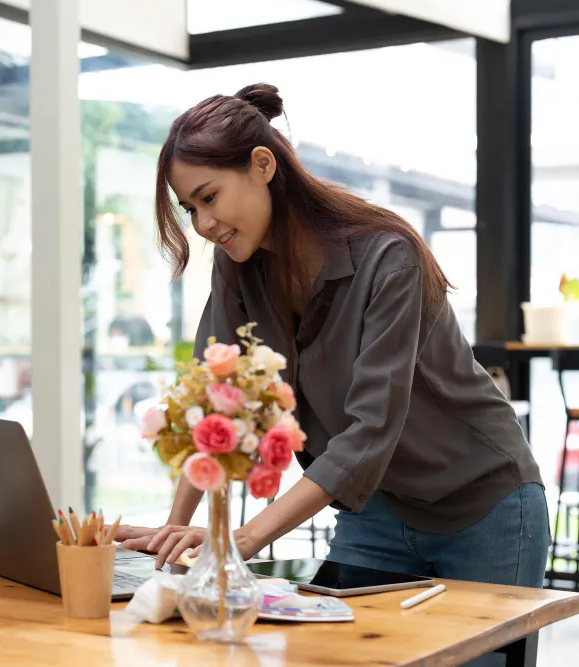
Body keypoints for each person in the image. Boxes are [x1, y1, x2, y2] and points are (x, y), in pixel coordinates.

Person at [119, 84, 550, 594]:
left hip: (483, 506)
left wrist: (240, 539)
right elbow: (215, 403)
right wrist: (175, 535)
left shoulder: (389, 258)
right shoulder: (236, 269)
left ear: (262, 165)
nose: (204, 224)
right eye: (190, 208)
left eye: (208, 197)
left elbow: (369, 432)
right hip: (375, 510)